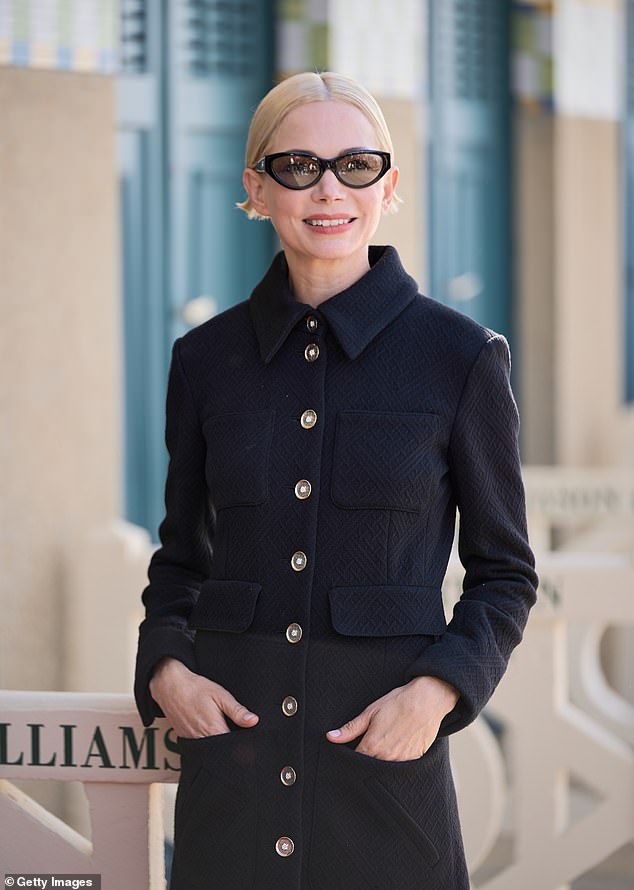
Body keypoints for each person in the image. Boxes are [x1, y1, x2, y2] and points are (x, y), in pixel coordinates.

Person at [134, 71, 538, 890]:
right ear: (255, 187)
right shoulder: (204, 360)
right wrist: (165, 669)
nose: (329, 189)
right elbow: (182, 558)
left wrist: (434, 694)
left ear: (388, 188)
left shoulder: (460, 359)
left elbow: (506, 576)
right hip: (233, 776)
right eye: (298, 166)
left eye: (356, 166)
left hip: (384, 780)